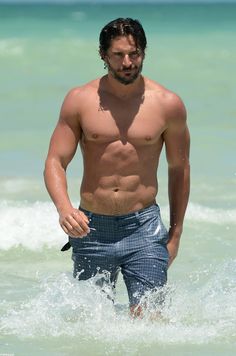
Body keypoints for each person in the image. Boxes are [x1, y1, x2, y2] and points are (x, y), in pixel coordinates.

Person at [44, 18, 190, 317]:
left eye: (134, 54)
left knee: (149, 318)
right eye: (118, 55)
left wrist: (175, 235)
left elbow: (179, 169)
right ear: (103, 55)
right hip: (91, 228)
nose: (127, 62)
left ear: (144, 52)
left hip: (144, 229)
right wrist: (64, 209)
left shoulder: (167, 104)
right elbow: (55, 161)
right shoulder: (79, 100)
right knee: (92, 325)